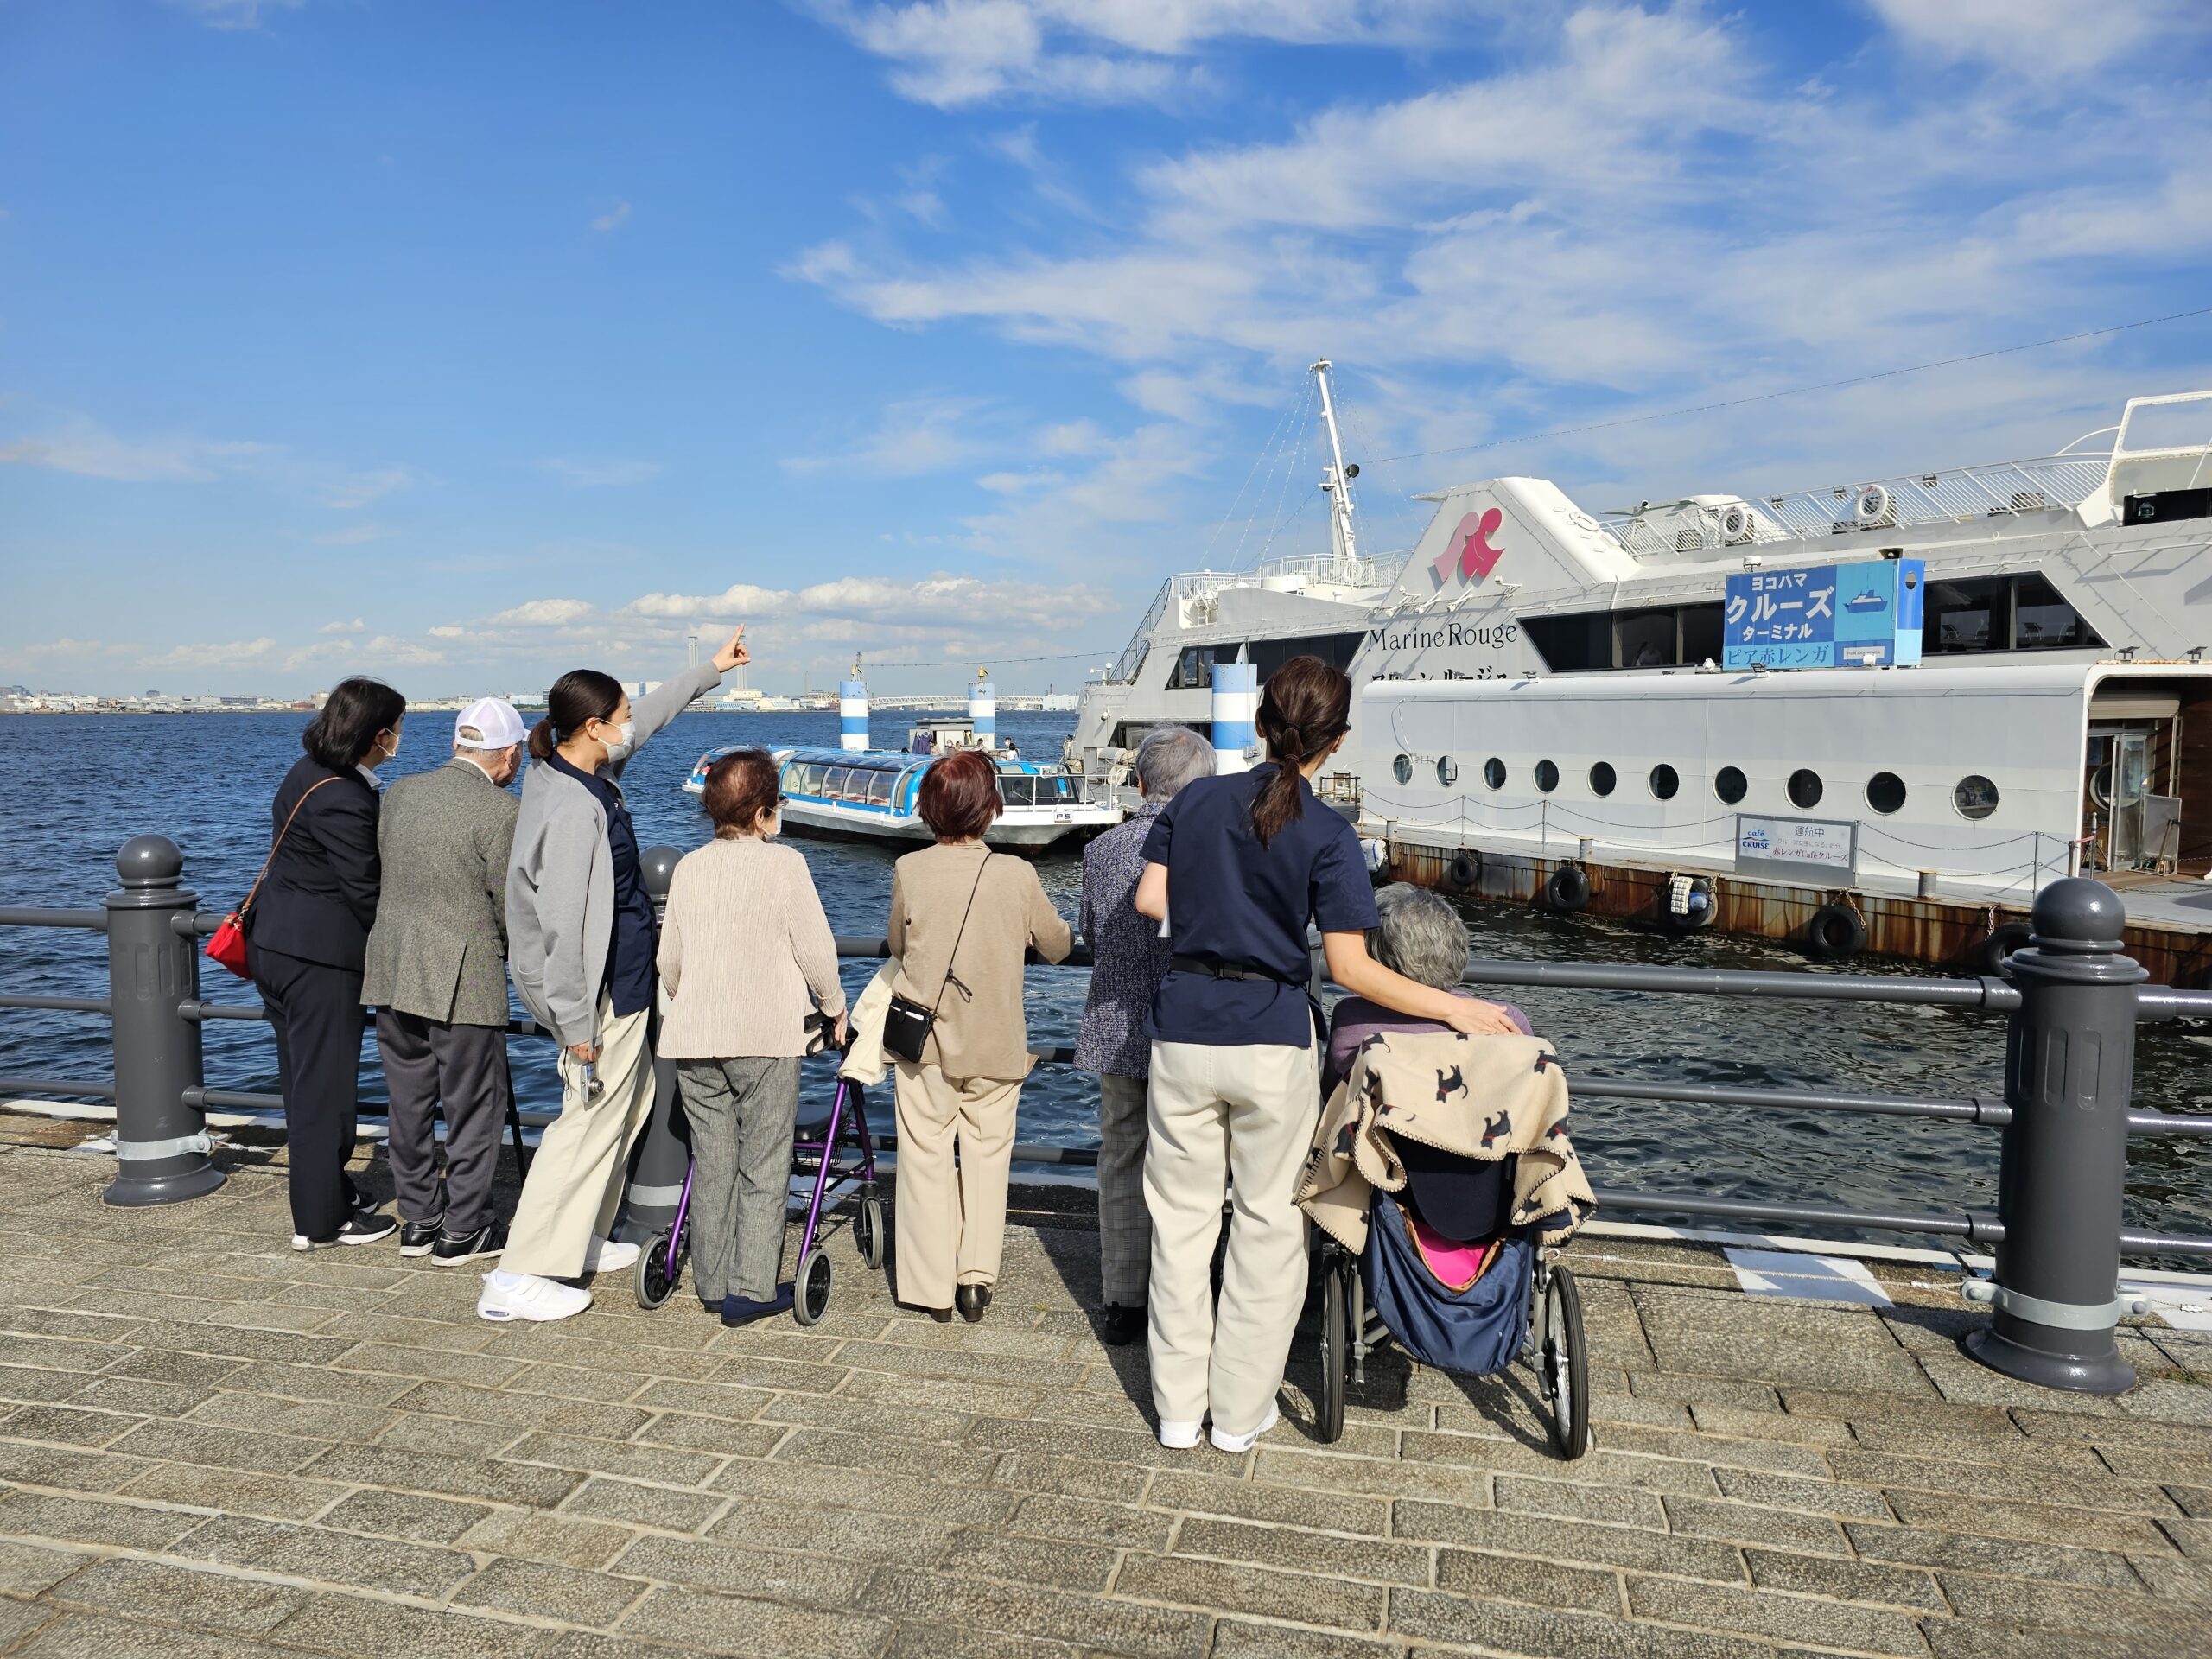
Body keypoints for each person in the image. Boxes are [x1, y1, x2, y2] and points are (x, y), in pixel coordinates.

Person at [1134, 654, 1520, 1452]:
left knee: (1179, 1226)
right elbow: (1349, 968)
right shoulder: (1329, 833)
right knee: (1269, 1229)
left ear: (1259, 724)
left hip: (1182, 1028)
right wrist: (1458, 1007)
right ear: (1336, 742)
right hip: (1270, 1035)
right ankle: (1239, 1416)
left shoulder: (1198, 800)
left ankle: (1176, 1411)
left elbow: (1150, 899)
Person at [480, 626, 749, 1324]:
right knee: (585, 1124)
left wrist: (707, 672)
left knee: (619, 1118)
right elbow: (563, 926)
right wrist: (573, 1024)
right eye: (620, 716)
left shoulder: (580, 773)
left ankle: (580, 1240)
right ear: (594, 728)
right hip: (595, 997)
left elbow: (650, 719)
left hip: (621, 984)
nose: (632, 724)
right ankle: (518, 1274)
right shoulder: (573, 807)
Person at [658, 748, 847, 1325]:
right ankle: (751, 1288)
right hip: (764, 1034)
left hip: (694, 1036)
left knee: (713, 1159)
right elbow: (815, 949)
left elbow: (670, 962)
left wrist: (690, 1000)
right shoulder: (784, 865)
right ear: (765, 812)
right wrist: (834, 1007)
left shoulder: (689, 866)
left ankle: (712, 1283)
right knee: (765, 1164)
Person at [886, 747, 1071, 1323]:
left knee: (924, 1159)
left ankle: (930, 1287)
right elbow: (1058, 945)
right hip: (996, 1041)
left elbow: (897, 945)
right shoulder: (1015, 874)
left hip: (927, 1044)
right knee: (988, 1159)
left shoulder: (909, 870)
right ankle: (975, 1280)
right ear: (990, 808)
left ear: (929, 809)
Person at [360, 697, 528, 1266]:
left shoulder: (400, 794)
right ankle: (465, 1229)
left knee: (407, 1104)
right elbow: (511, 903)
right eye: (519, 752)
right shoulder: (502, 809)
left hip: (393, 968)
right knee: (474, 1108)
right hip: (466, 974)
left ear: (459, 744)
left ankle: (418, 1220)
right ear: (507, 753)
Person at [250, 676, 407, 1249]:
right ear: (376, 734)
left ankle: (331, 1191)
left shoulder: (307, 772)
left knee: (304, 1084)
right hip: (319, 960)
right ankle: (320, 1220)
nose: (398, 739)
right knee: (324, 1089)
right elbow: (365, 889)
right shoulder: (344, 795)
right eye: (396, 730)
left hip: (276, 945)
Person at [1074, 726, 1214, 1345]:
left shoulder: (1101, 850)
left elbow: (1091, 936)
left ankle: (1123, 1299)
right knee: (1192, 1165)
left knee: (1122, 1157)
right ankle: (1184, 1292)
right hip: (1193, 1031)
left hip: (1116, 1024)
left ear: (1139, 783)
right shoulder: (1214, 850)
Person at [1324, 884, 1533, 1093]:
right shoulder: (1504, 1019)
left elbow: (1331, 1093)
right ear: (1456, 946)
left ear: (1373, 954)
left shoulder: (1351, 1017)